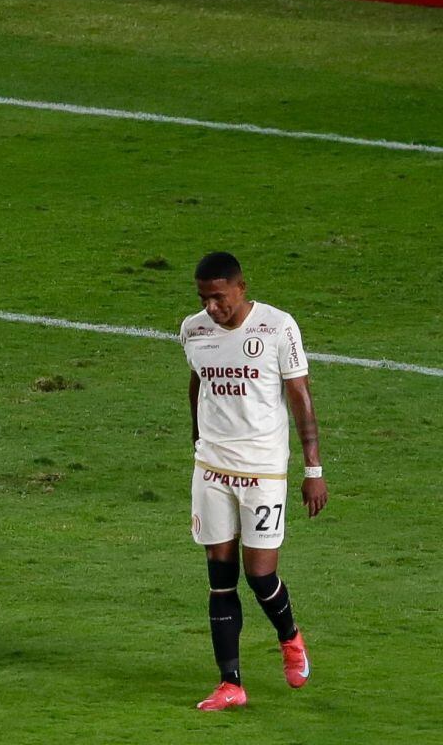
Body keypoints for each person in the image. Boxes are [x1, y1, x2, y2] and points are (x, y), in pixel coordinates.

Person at [179, 251, 328, 710]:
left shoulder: (277, 327)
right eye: (203, 299)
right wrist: (197, 436)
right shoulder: (193, 330)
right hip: (212, 469)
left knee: (260, 576)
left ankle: (290, 636)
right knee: (220, 578)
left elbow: (300, 396)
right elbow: (198, 381)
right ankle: (231, 684)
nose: (211, 307)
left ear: (241, 288)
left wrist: (313, 469)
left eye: (218, 297)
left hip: (262, 471)